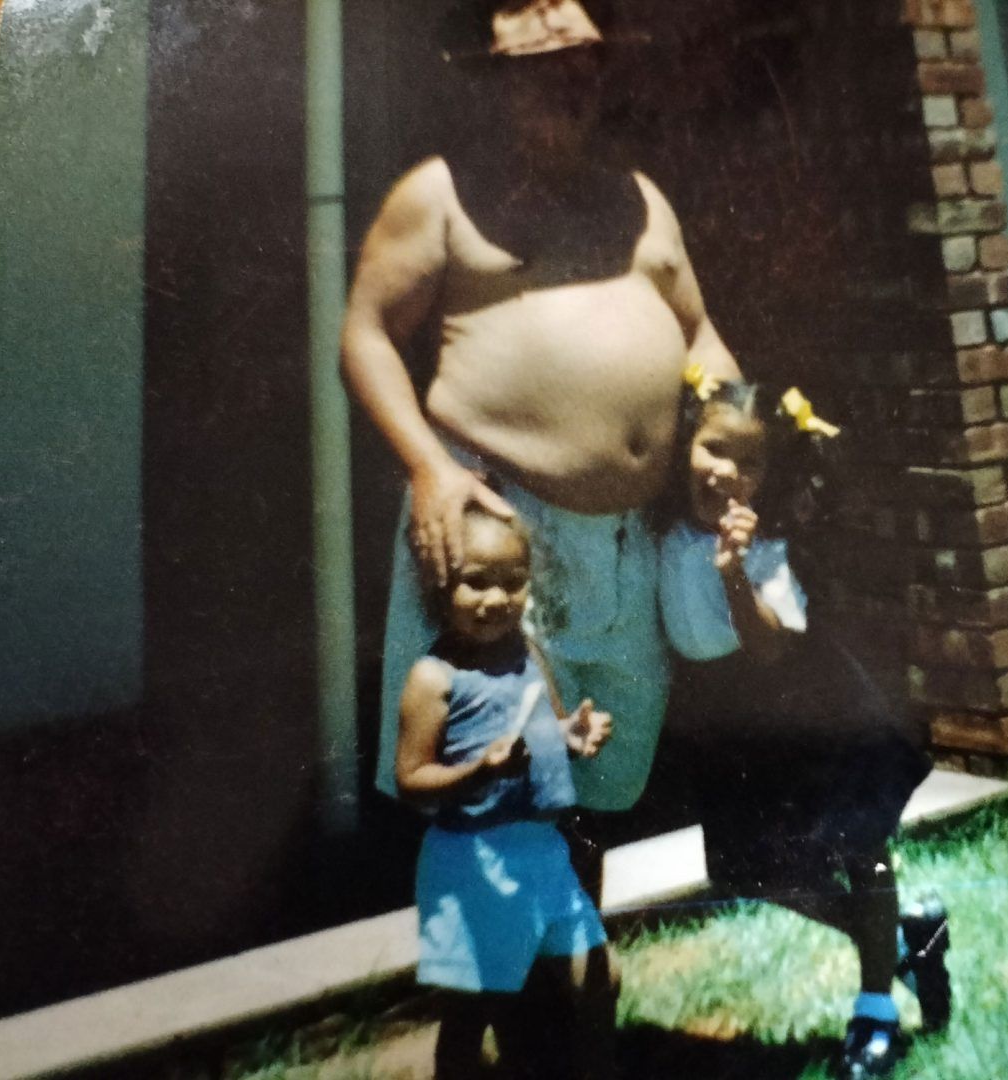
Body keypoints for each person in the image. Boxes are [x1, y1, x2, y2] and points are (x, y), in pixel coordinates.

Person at [340, 0, 740, 869]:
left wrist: (725, 423)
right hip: (503, 531)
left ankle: (570, 950)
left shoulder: (638, 199)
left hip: (628, 546)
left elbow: (702, 337)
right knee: (496, 787)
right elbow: (365, 333)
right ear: (491, 82)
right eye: (539, 67)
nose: (569, 82)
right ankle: (507, 958)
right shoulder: (440, 194)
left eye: (582, 62)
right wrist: (428, 469)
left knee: (595, 782)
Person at [656, 372, 952, 1079]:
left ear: (769, 477)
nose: (726, 472)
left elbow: (769, 650)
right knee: (749, 870)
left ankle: (876, 1011)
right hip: (728, 728)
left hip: (806, 713)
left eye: (750, 462)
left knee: (860, 849)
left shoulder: (767, 549)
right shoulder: (660, 533)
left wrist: (734, 573)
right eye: (714, 448)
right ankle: (905, 937)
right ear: (685, 445)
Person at [395, 508, 616, 1079]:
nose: (496, 598)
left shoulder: (528, 652)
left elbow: (550, 731)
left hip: (543, 853)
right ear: (439, 585)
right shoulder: (434, 677)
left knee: (598, 980)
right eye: (476, 581)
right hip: (474, 862)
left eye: (513, 582)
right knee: (472, 1012)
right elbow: (411, 779)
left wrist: (574, 736)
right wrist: (478, 772)